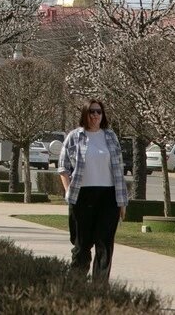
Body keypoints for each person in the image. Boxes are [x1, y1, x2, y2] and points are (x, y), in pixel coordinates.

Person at [57, 99, 129, 282]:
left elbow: (119, 171)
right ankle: (76, 285)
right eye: (92, 112)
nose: (96, 115)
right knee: (81, 245)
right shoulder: (74, 136)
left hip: (108, 196)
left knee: (105, 245)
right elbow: (63, 167)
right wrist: (68, 192)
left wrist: (122, 202)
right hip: (82, 196)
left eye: (99, 112)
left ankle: (100, 289)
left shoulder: (110, 136)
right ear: (85, 114)